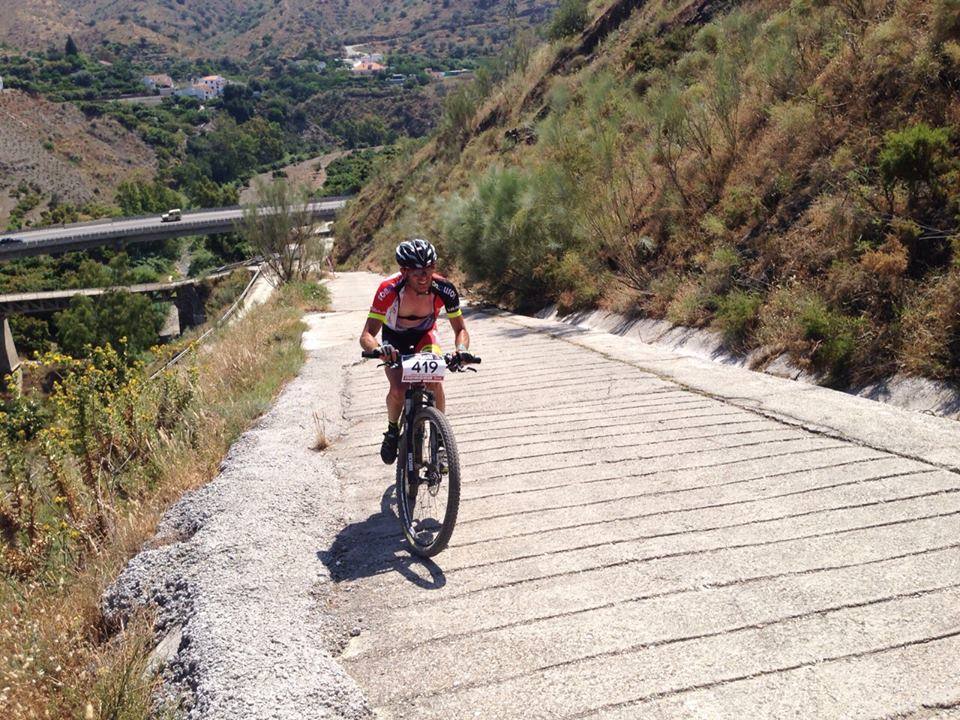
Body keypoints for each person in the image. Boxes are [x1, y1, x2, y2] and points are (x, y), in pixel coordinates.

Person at [360, 238, 470, 464]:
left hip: (424, 335)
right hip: (394, 338)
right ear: (404, 271)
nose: (424, 277)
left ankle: (440, 441)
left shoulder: (444, 288)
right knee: (399, 389)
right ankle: (392, 431)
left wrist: (460, 350)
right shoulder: (389, 289)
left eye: (429, 269)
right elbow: (367, 335)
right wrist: (379, 350)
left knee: (434, 381)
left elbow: (460, 329)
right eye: (417, 272)